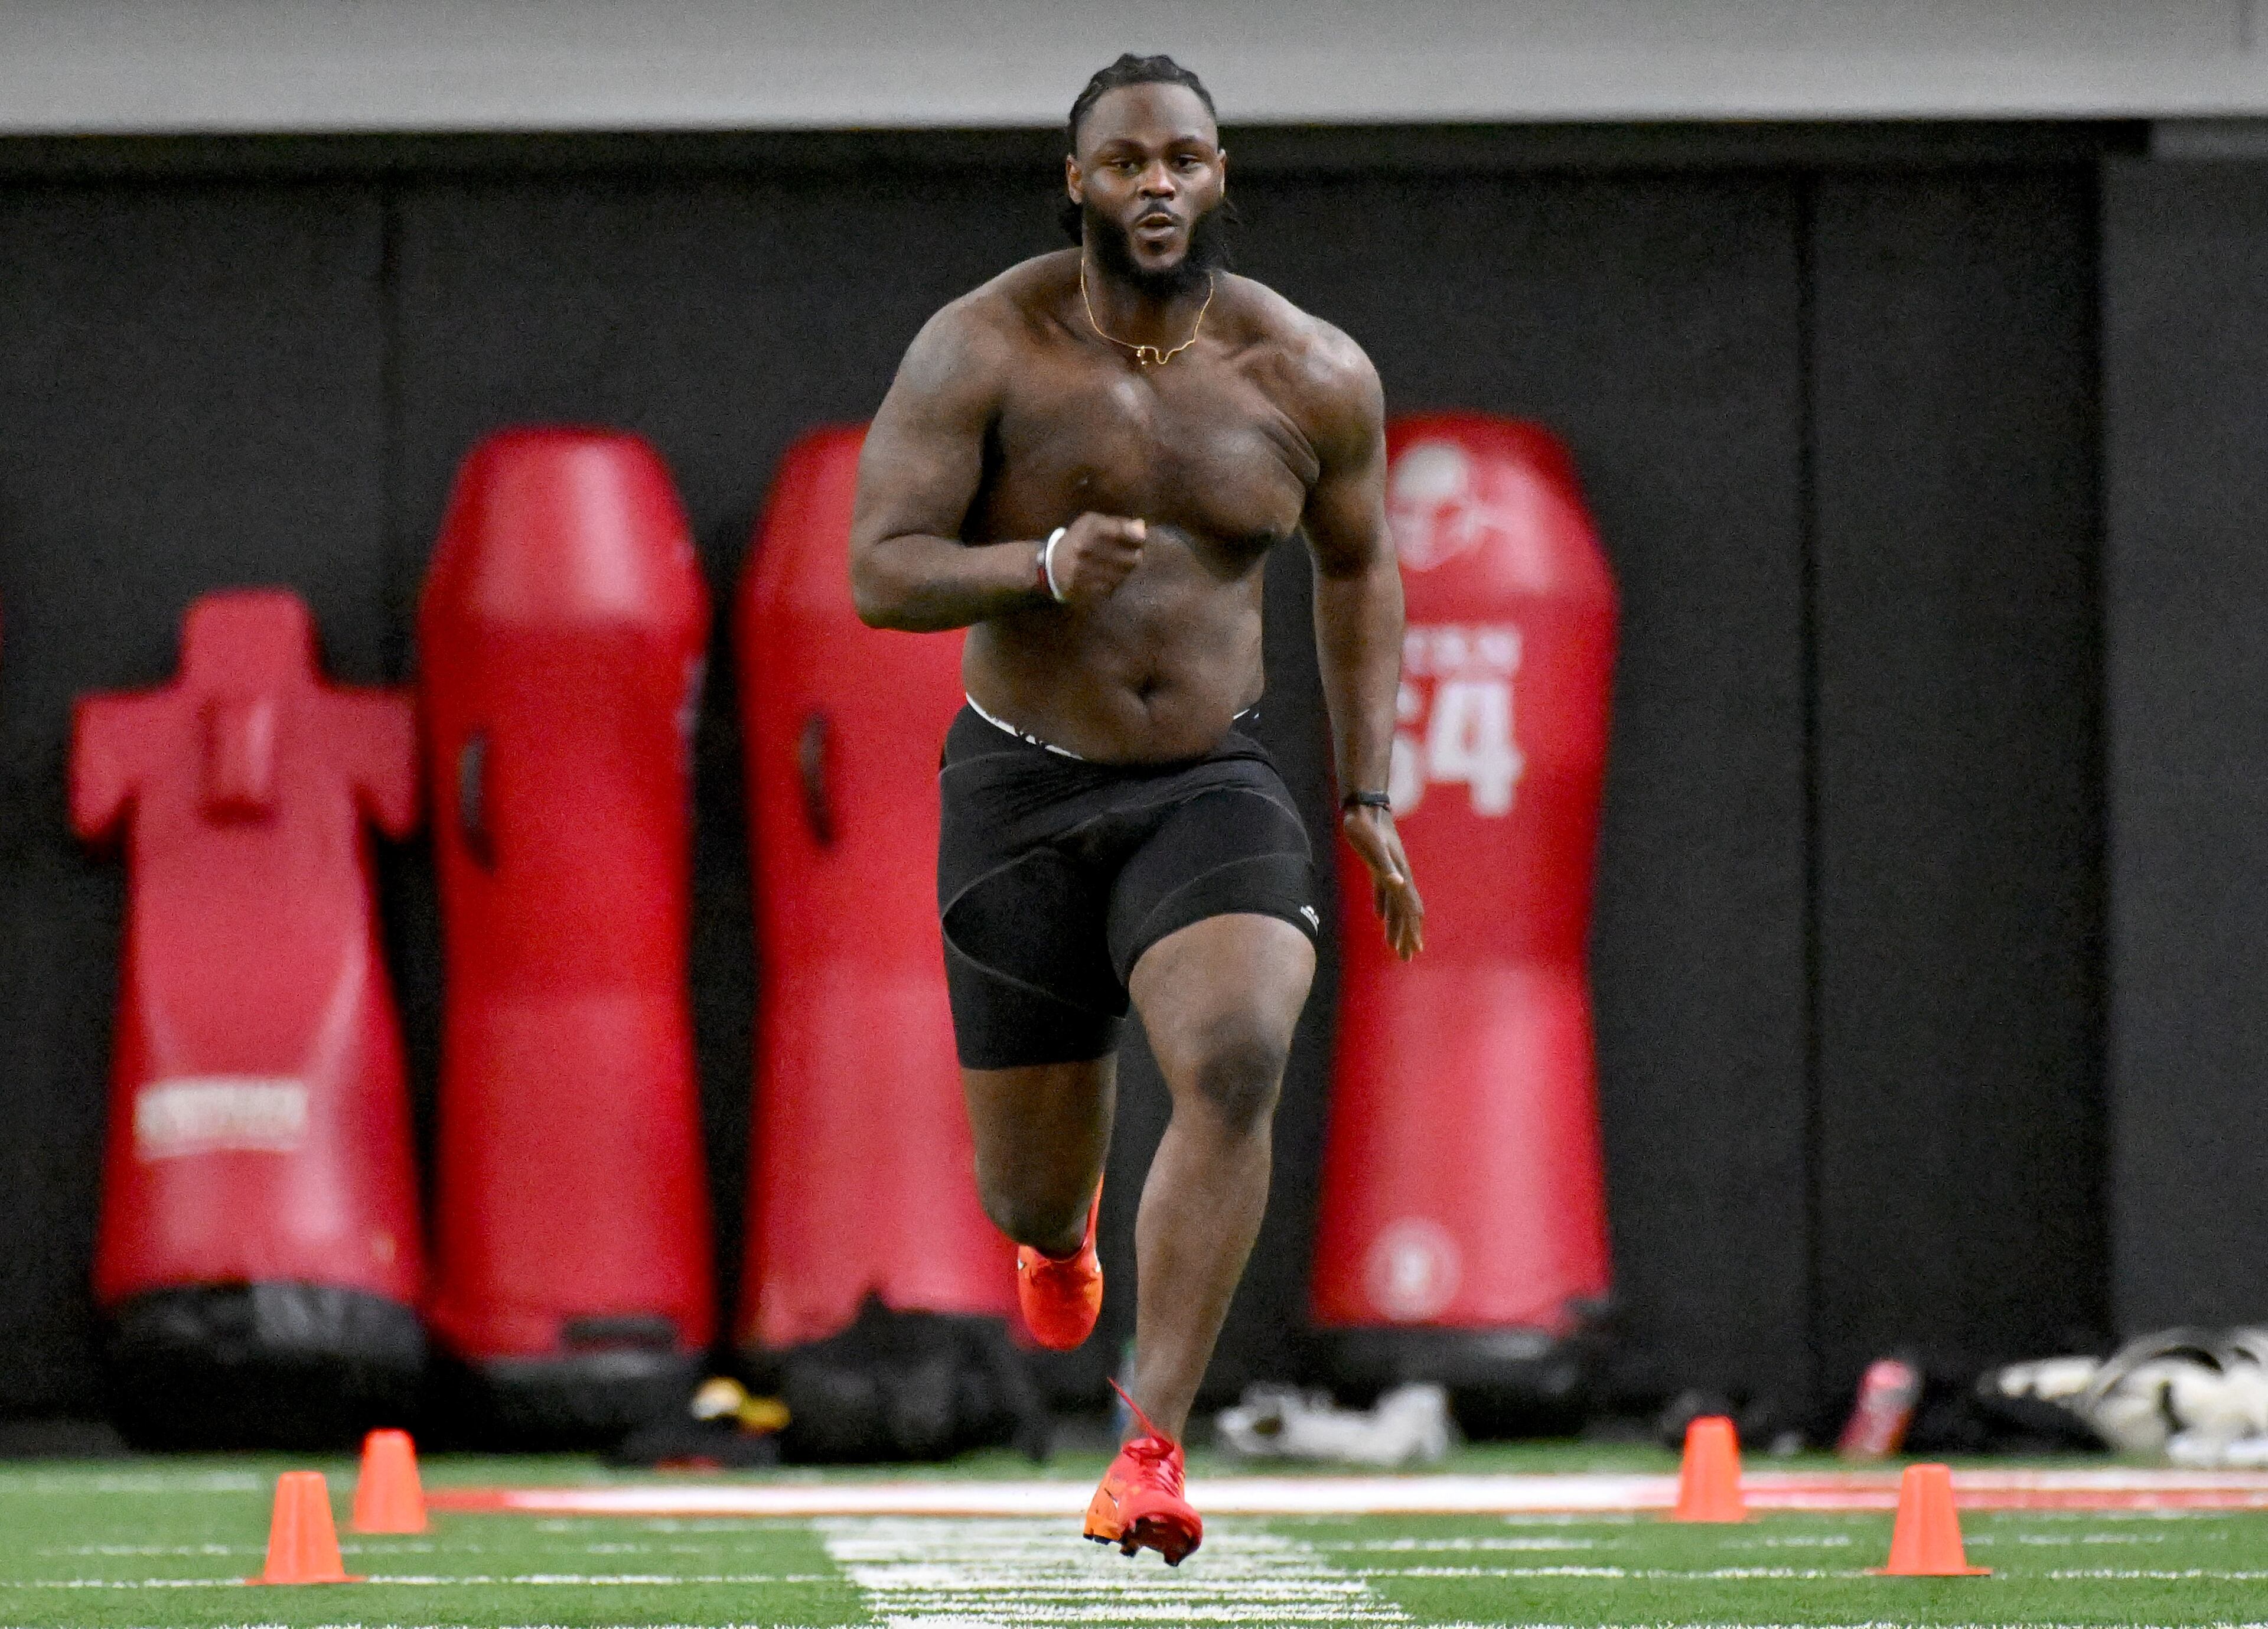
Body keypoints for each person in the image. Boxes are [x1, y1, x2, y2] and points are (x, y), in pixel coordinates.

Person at [848, 51, 1422, 1565]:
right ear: (1079, 183)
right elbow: (879, 566)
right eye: (1127, 162)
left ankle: (1151, 1444)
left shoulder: (1308, 371)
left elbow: (1359, 568)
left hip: (1207, 786)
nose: (1157, 183)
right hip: (1021, 784)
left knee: (1237, 1052)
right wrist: (1031, 567)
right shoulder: (984, 347)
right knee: (1025, 1190)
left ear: (1220, 176)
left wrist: (1365, 783)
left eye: (1184, 158)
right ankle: (1068, 1230)